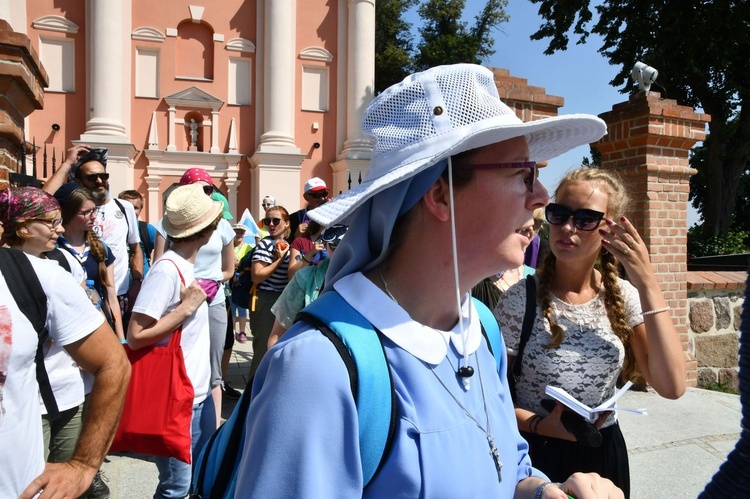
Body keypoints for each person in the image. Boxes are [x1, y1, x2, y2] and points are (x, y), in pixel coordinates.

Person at [234, 64, 621, 498]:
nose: (541, 197)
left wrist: (539, 491)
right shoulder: (318, 368)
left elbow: (505, 464)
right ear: (439, 194)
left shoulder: (481, 329)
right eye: (522, 174)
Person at [493, 167, 686, 497]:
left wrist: (648, 283)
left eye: (585, 218)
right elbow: (490, 403)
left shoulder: (623, 297)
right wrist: (540, 425)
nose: (568, 227)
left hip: (604, 453)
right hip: (537, 458)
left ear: (609, 229)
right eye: (559, 213)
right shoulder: (518, 301)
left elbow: (671, 386)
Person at [0, 188, 131, 499]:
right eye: (51, 221)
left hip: (66, 389)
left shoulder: (58, 266)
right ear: (21, 227)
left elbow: (99, 327)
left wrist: (83, 465)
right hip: (37, 399)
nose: (59, 229)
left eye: (60, 221)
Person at [127, 183, 223, 498]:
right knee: (176, 488)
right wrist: (185, 309)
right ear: (207, 230)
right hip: (176, 399)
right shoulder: (166, 271)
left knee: (195, 481)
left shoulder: (181, 266)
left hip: (196, 395)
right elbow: (136, 336)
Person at [153, 168, 235, 428]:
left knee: (213, 368)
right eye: (198, 189)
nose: (205, 194)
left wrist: (211, 283)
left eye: (209, 190)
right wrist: (185, 288)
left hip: (213, 301)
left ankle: (211, 431)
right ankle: (175, 422)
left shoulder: (223, 226)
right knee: (179, 359)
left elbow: (229, 269)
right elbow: (158, 264)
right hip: (179, 301)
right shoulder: (167, 224)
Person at [45, 146, 144, 331]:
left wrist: (136, 283)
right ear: (78, 181)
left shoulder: (125, 208)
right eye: (92, 178)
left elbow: (135, 248)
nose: (99, 181)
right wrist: (67, 164)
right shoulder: (63, 228)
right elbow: (41, 203)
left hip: (116, 295)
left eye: (103, 176)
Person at [58, 183, 126, 341]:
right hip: (69, 327)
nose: (93, 216)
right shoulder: (54, 248)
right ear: (68, 214)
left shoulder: (100, 248)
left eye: (94, 210)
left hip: (101, 323)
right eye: (86, 212)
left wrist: (121, 338)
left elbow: (111, 295)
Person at [268, 224, 348, 348]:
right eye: (335, 245)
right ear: (325, 245)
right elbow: (277, 337)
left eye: (348, 245)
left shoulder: (375, 280)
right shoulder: (304, 279)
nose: (340, 253)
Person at [247, 205, 291, 378]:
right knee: (263, 352)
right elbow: (257, 276)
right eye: (267, 220)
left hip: (281, 298)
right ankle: (252, 393)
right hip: (266, 300)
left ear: (286, 223)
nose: (271, 224)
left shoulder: (286, 244)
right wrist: (279, 262)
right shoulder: (265, 244)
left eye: (275, 220)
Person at [118, 189, 157, 277]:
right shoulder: (112, 228)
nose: (131, 211)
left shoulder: (147, 229)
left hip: (141, 283)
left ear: (140, 210)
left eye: (135, 208)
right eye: (127, 207)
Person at [288, 177, 330, 241]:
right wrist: (296, 237)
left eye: (324, 194)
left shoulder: (334, 217)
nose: (322, 198)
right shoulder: (294, 218)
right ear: (306, 197)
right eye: (316, 195)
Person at [231, 223, 252, 343]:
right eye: (236, 232)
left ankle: (242, 331)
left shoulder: (248, 248)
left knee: (242, 307)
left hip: (242, 281)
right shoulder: (228, 246)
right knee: (232, 306)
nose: (239, 234)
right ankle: (233, 331)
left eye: (241, 232)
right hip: (230, 280)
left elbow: (248, 263)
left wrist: (237, 263)